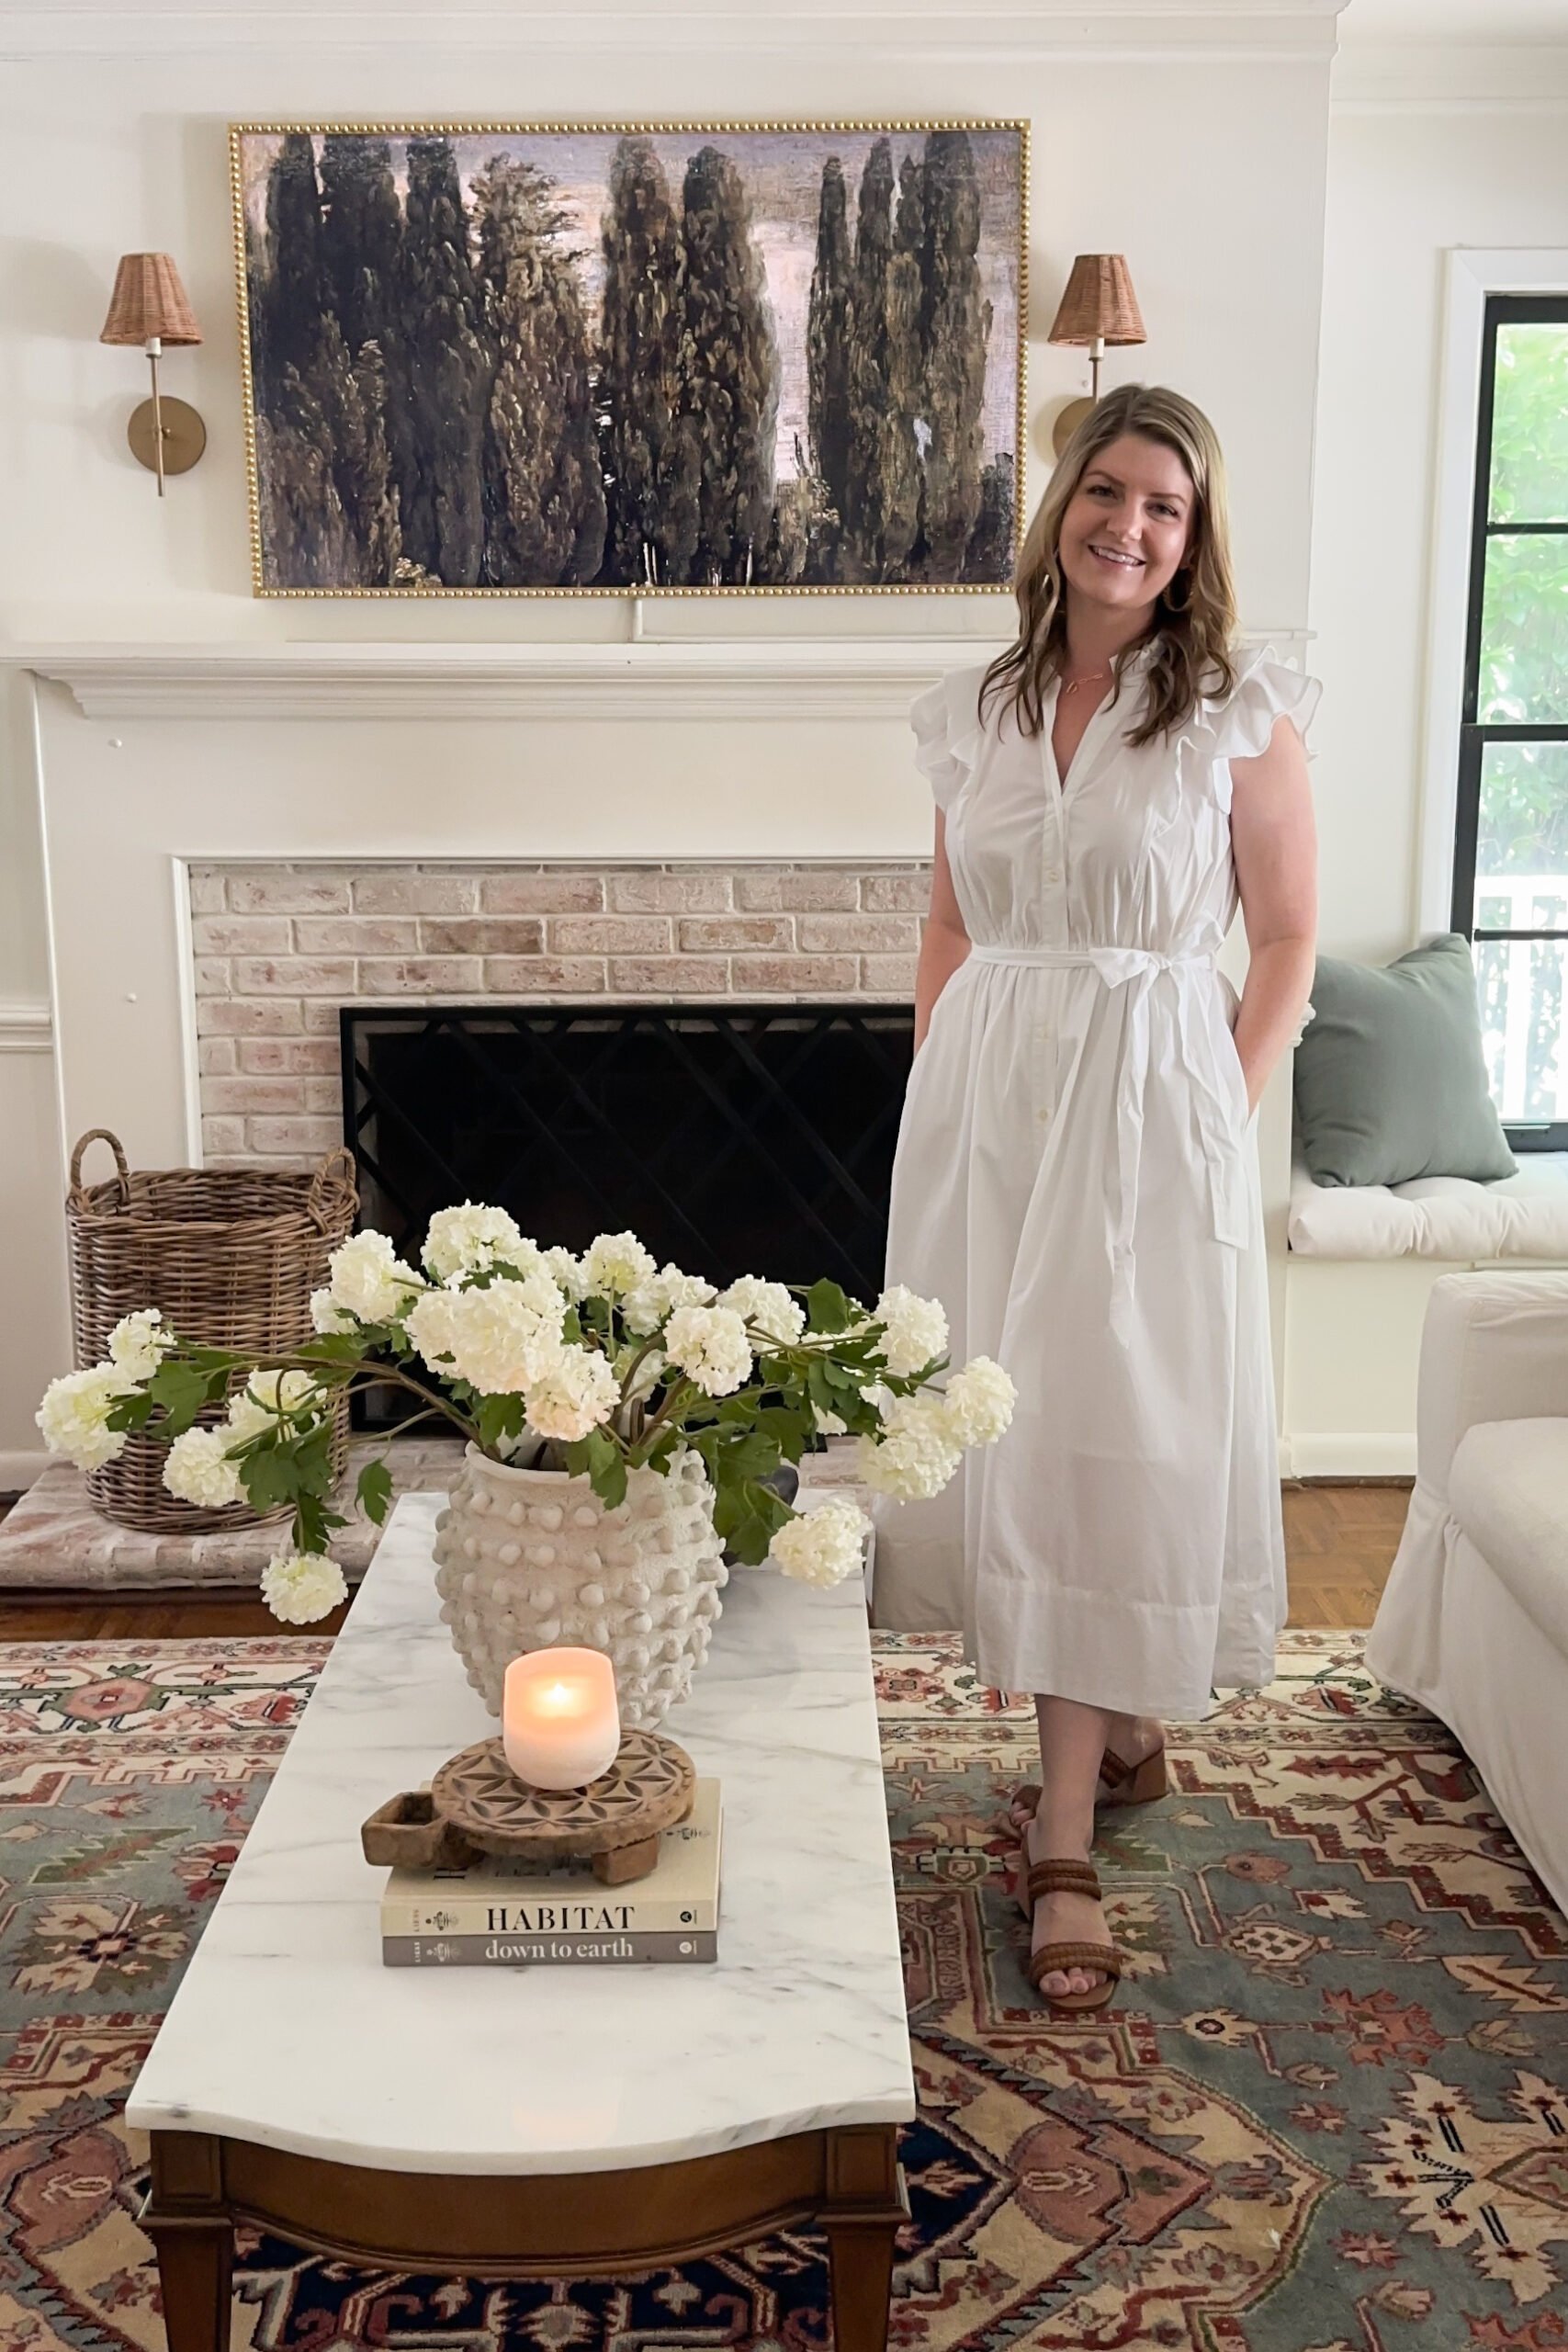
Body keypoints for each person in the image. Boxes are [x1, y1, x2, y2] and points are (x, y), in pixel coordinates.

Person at [872, 383, 1320, 2011]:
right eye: (1109, 491)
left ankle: (1060, 1833)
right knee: (1013, 1418)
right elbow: (946, 914)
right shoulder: (972, 713)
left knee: (1110, 1422)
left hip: (1150, 1102)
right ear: (1062, 504)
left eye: (1169, 506)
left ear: (1195, 541)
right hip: (991, 1104)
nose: (1131, 525)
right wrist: (940, 1068)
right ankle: (1118, 1728)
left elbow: (1283, 941)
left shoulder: (1231, 711)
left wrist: (1220, 1106)